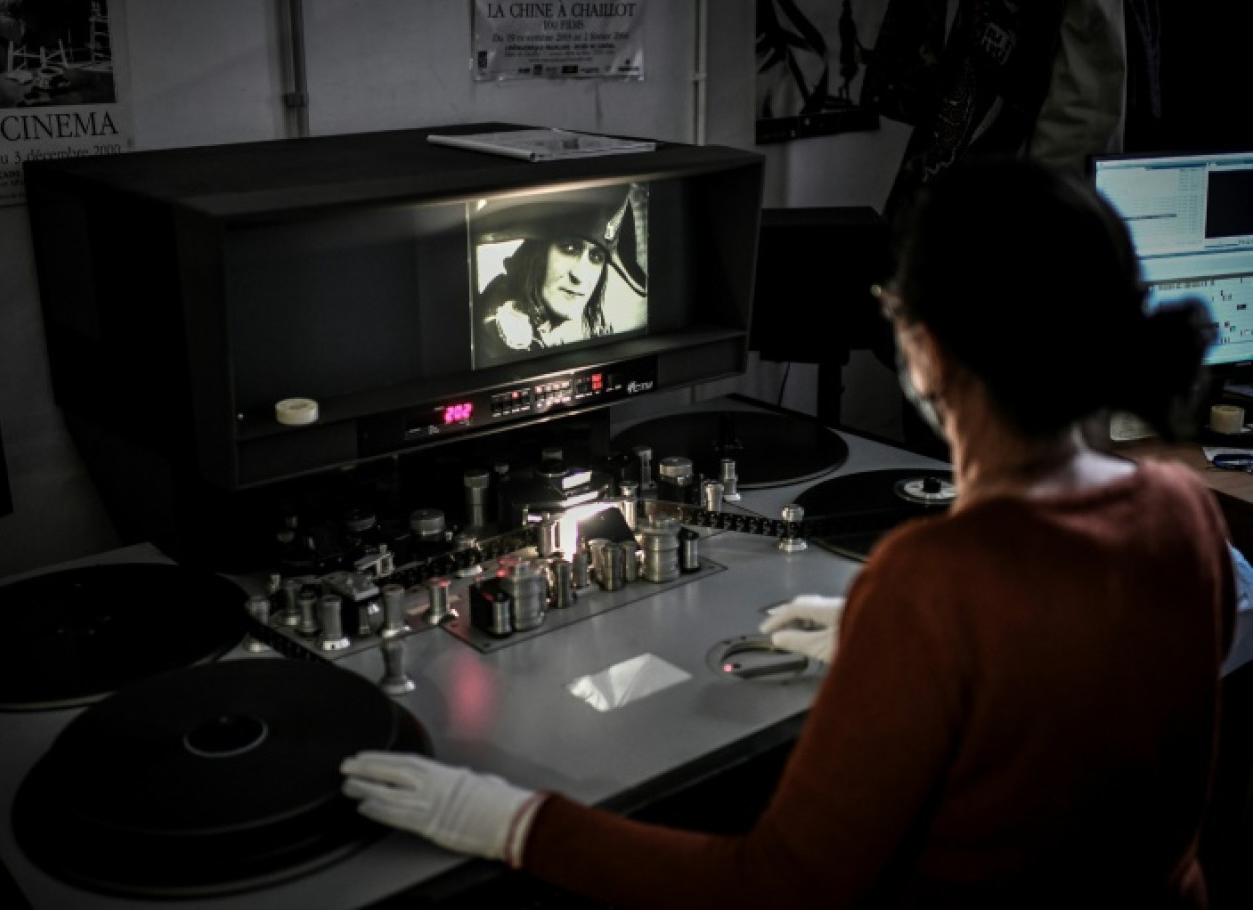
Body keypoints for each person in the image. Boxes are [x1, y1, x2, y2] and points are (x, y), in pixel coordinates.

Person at [342, 157, 1235, 907]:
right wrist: (903, 660)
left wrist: (506, 821)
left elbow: (776, 888)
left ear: (921, 348)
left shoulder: (932, 581)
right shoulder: (1183, 510)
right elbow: (1079, 707)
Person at [475, 184, 647, 363]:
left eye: (596, 257)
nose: (580, 275)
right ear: (536, 253)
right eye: (569, 248)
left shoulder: (550, 326)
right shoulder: (499, 335)